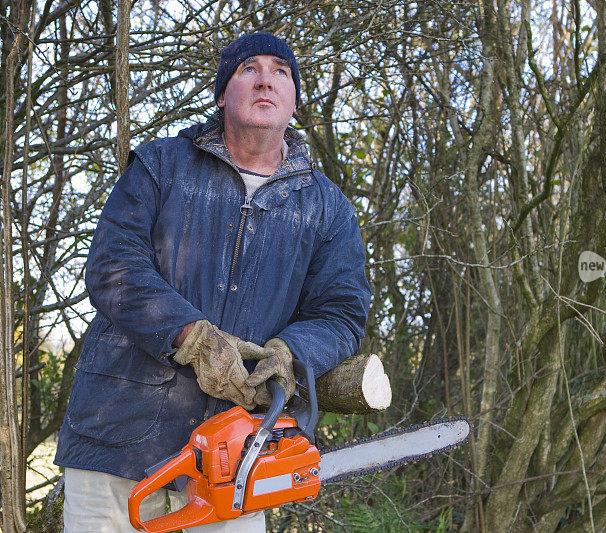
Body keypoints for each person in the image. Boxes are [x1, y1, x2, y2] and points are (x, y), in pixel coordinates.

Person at [54, 32, 371, 532]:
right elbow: (115, 265)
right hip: (117, 437)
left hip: (235, 461)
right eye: (249, 68)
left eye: (281, 72)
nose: (266, 77)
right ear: (223, 93)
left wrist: (290, 352)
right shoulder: (162, 165)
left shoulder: (326, 207)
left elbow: (342, 311)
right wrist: (190, 337)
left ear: (293, 102)